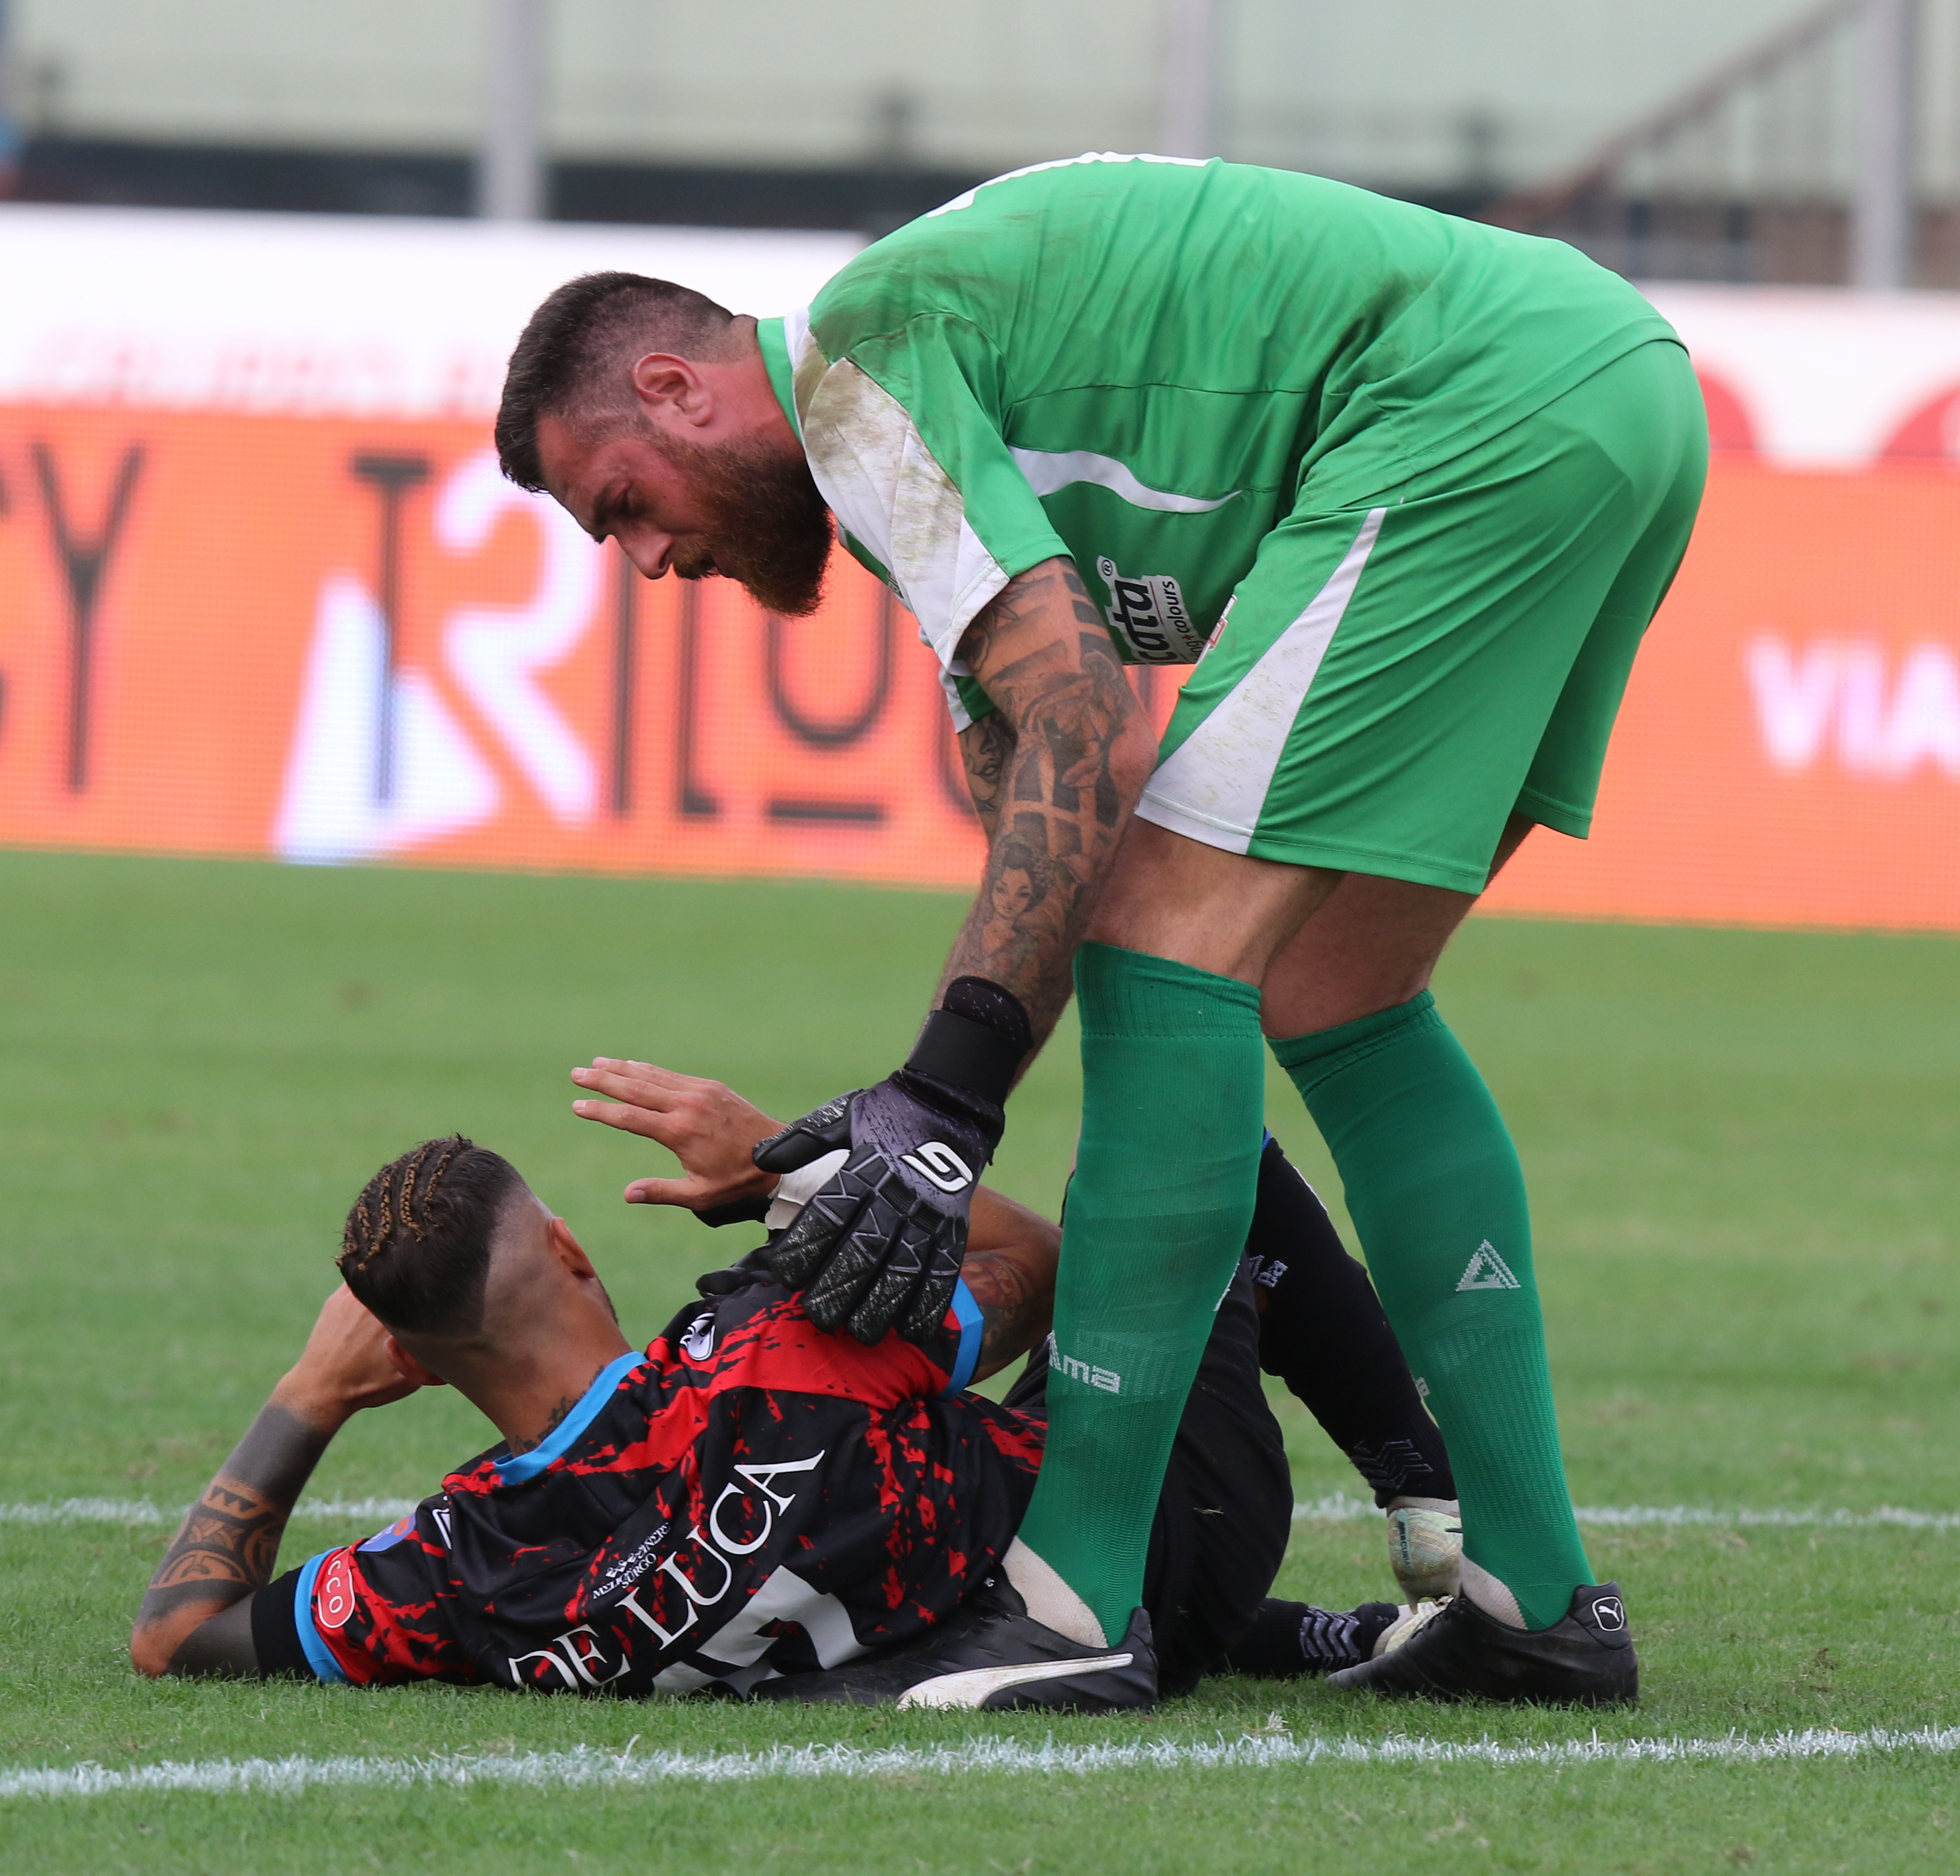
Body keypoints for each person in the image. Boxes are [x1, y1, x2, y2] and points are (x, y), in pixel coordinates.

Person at [497, 153, 1695, 1708]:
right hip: (1607, 392)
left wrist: (939, 1109)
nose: (652, 565)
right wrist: (907, 1125)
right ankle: (1531, 1593)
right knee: (1334, 988)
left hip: (1475, 408)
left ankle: (1075, 1607)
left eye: (625, 509)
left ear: (678, 388)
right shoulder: (916, 453)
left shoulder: (861, 372)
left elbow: (1086, 735)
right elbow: (1045, 844)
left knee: (1168, 952)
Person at [126, 1076, 1461, 1705]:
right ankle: (1431, 1510)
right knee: (1188, 1137)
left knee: (945, 1507)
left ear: (404, 1366)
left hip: (957, 1620)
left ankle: (1321, 1641)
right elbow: (1050, 1278)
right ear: (576, 1251)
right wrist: (788, 1171)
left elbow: (179, 1632)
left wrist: (308, 1393)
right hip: (1164, 1533)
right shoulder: (779, 1344)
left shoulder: (464, 1566)